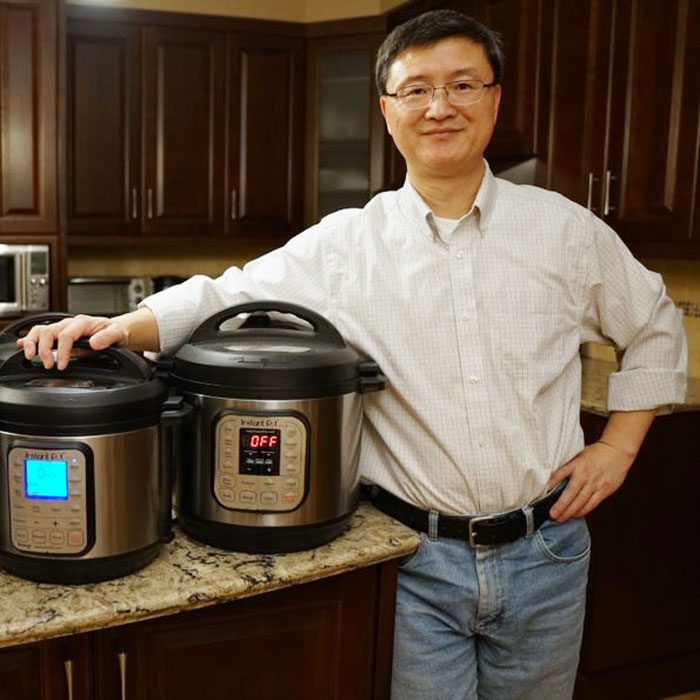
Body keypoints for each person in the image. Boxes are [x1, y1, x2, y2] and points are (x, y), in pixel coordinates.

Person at [19, 10, 687, 700]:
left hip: (549, 550)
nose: (440, 107)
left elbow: (656, 326)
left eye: (463, 85)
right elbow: (225, 295)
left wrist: (618, 450)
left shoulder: (566, 232)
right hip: (414, 561)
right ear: (388, 111)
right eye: (417, 90)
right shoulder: (344, 246)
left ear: (495, 98)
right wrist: (114, 329)